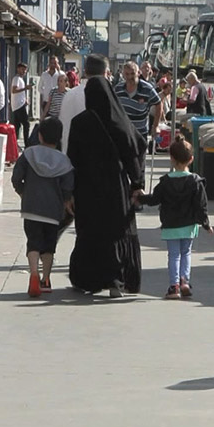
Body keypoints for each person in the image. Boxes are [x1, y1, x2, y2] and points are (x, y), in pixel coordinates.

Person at [66, 75, 145, 297]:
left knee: (90, 232)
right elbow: (134, 149)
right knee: (115, 231)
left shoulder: (80, 122)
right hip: (116, 187)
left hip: (87, 187)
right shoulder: (120, 120)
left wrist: (69, 192)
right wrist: (137, 183)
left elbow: (72, 159)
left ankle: (89, 279)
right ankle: (115, 281)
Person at [134, 136, 214, 300]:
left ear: (171, 159)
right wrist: (205, 224)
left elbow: (154, 199)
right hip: (189, 224)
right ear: (191, 159)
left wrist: (140, 197)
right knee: (186, 253)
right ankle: (185, 280)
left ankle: (174, 286)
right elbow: (201, 205)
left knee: (174, 255)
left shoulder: (165, 182)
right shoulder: (196, 182)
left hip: (171, 225)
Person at [11, 117, 75, 298]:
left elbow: (16, 177)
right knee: (49, 246)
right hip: (53, 211)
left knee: (33, 242)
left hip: (31, 207)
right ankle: (45, 280)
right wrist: (66, 200)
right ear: (59, 137)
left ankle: (33, 273)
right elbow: (68, 187)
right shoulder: (64, 161)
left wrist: (22, 192)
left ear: (39, 135)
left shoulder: (29, 154)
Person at [116, 62, 162, 176]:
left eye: (133, 73)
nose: (130, 77)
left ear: (138, 73)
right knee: (122, 167)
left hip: (140, 133)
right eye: (127, 74)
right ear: (123, 74)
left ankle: (138, 191)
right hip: (123, 134)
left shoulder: (146, 88)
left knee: (138, 166)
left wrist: (155, 126)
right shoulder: (118, 89)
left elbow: (158, 103)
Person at [10, 62, 30, 145]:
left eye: (25, 70)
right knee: (26, 124)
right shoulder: (16, 78)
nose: (24, 72)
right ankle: (27, 142)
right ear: (18, 69)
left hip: (19, 104)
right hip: (18, 105)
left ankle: (14, 143)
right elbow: (14, 90)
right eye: (22, 70)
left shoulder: (20, 79)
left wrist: (24, 99)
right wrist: (25, 88)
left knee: (17, 126)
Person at [39, 56, 62, 120]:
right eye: (51, 63)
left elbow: (64, 84)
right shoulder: (44, 74)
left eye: (55, 63)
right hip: (46, 101)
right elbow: (39, 88)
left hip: (57, 102)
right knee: (46, 121)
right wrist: (46, 93)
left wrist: (59, 70)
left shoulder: (60, 74)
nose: (53, 65)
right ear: (49, 64)